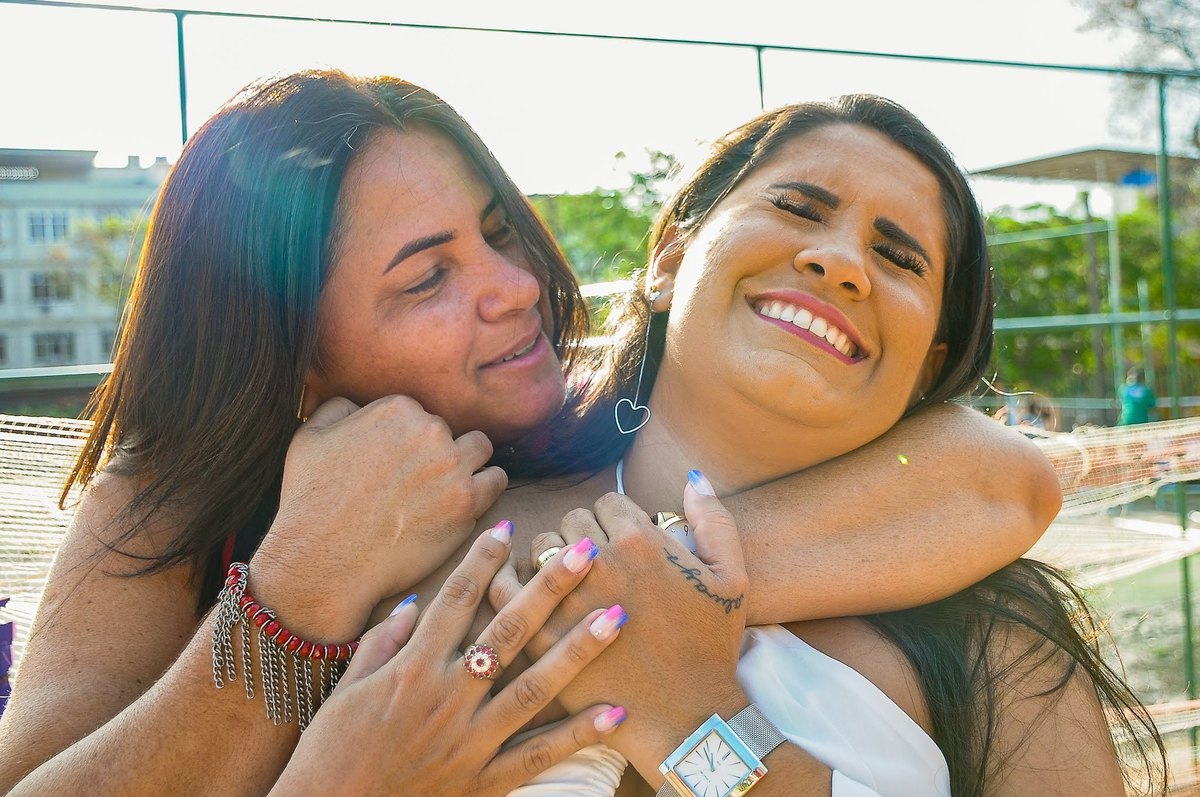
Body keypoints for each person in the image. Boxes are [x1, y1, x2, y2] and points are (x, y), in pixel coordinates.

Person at [0, 71, 1058, 795]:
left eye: (500, 231)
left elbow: (999, 478)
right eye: (427, 276)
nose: (514, 287)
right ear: (294, 355)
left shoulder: (585, 420)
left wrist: (609, 588)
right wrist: (300, 591)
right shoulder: (176, 493)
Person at [424, 97, 1164, 795]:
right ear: (670, 262)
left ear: (927, 368)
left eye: (899, 259)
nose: (841, 263)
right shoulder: (458, 535)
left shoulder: (998, 638)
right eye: (797, 208)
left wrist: (693, 721)